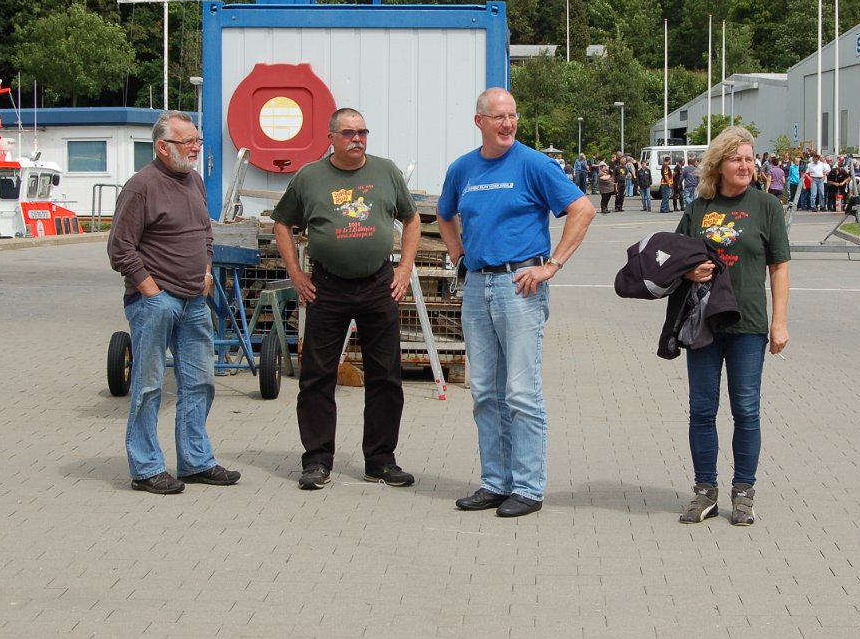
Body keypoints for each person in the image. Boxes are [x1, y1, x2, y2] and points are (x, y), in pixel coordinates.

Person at [438, 87, 595, 518]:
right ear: (479, 122)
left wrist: (553, 265)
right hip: (477, 287)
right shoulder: (463, 169)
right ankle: (495, 482)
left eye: (512, 116)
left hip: (520, 287)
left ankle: (527, 487)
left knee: (521, 392)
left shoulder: (533, 164)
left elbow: (582, 209)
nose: (507, 124)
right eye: (498, 117)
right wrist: (457, 253)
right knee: (486, 391)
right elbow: (444, 213)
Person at [271, 108, 422, 491]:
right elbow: (282, 223)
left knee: (386, 376)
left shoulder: (386, 171)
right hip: (327, 287)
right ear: (331, 138)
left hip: (378, 284)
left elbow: (413, 219)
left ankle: (381, 460)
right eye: (349, 133)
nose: (358, 139)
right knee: (317, 376)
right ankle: (318, 461)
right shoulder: (310, 176)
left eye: (363, 132)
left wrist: (405, 268)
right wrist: (296, 272)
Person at [109, 111, 240, 495]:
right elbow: (120, 247)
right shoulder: (141, 187)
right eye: (189, 142)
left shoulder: (195, 181)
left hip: (194, 301)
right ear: (163, 147)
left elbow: (204, 232)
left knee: (200, 383)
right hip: (157, 303)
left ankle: (196, 462)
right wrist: (150, 289)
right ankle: (146, 468)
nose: (196, 148)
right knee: (149, 387)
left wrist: (206, 270)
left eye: (197, 141)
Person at [674, 126, 790, 526]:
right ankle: (705, 490)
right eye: (736, 158)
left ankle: (744, 492)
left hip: (749, 324)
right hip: (703, 322)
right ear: (719, 164)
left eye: (749, 157)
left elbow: (779, 268)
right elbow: (675, 260)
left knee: (746, 410)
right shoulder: (699, 208)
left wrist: (779, 322)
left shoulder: (767, 206)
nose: (745, 165)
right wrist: (690, 272)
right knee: (702, 410)